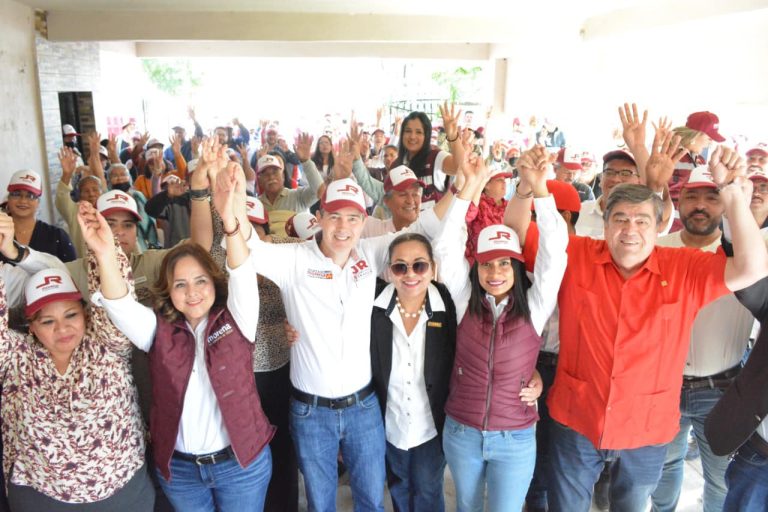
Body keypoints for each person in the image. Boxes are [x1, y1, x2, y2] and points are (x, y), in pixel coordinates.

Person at [505, 136, 768, 512]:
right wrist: (525, 187)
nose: (630, 230)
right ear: (605, 224)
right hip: (576, 419)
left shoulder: (684, 266)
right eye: (620, 220)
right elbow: (516, 235)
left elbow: (752, 268)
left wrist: (732, 193)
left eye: (642, 221)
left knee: (631, 506)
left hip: (647, 428)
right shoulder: (577, 254)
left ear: (659, 225)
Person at [93, 161, 274, 511]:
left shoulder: (238, 318)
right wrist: (104, 253)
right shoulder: (156, 330)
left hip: (240, 466)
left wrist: (230, 220)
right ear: (168, 290)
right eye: (180, 284)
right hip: (181, 472)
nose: (192, 292)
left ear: (214, 283)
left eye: (200, 281)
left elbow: (241, 271)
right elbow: (119, 304)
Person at [434, 153, 567, 511]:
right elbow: (445, 247)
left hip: (515, 437)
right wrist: (468, 188)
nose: (495, 273)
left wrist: (540, 190)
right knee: (466, 507)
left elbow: (555, 254)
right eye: (487, 264)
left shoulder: (534, 307)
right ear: (475, 267)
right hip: (462, 432)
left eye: (505, 263)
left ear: (517, 265)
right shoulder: (464, 301)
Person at [0, 208, 154, 511]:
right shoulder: (16, 357)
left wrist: (104, 252)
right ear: (31, 327)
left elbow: (116, 300)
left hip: (122, 494)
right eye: (47, 321)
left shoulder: (107, 346)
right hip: (39, 496)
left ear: (86, 314)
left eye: (71, 315)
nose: (62, 328)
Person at [650, 166, 754, 512]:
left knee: (721, 478)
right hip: (663, 385)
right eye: (691, 196)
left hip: (721, 389)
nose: (700, 205)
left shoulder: (744, 256)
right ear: (678, 201)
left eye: (712, 197)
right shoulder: (655, 249)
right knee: (664, 467)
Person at [369, 233, 457, 511]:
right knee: (399, 487)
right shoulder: (371, 306)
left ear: (433, 268)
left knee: (428, 490)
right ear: (389, 271)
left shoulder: (450, 306)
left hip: (431, 425)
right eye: (400, 267)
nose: (410, 274)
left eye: (419, 265)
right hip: (390, 423)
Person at [2, 170, 75, 262]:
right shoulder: (1, 233)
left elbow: (72, 269)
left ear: (38, 202)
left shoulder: (57, 236)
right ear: (8, 199)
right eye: (16, 194)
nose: (23, 201)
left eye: (30, 196)